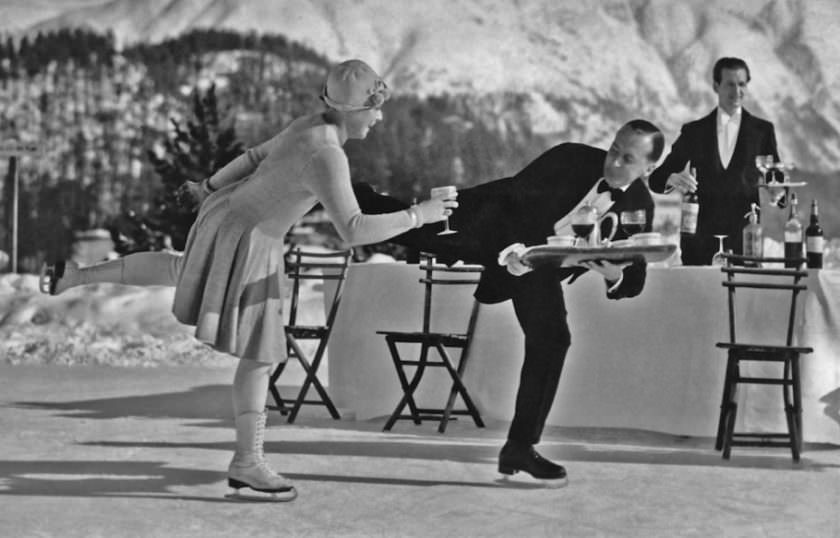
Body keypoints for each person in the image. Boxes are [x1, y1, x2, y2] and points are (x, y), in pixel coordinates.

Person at [39, 59, 456, 501]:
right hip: (251, 239)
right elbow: (352, 229)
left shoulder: (309, 125)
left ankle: (77, 275)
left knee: (180, 269)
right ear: (354, 110)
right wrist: (418, 216)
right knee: (261, 353)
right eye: (375, 107)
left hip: (225, 214)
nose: (379, 116)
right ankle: (246, 462)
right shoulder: (328, 154)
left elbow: (255, 157)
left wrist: (207, 185)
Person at [354, 119, 662, 484]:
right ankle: (337, 193)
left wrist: (613, 274)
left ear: (649, 168)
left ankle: (519, 446)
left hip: (538, 268)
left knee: (553, 339)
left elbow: (635, 276)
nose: (614, 163)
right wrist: (516, 251)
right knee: (404, 224)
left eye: (628, 159)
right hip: (484, 223)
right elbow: (517, 201)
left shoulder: (639, 206)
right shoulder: (570, 157)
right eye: (613, 150)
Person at [648, 56, 780, 265]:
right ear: (716, 86)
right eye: (730, 84)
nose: (737, 91)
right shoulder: (693, 132)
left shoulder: (763, 131)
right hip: (698, 241)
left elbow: (777, 178)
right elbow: (656, 179)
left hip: (745, 239)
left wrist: (778, 192)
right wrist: (672, 179)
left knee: (744, 297)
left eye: (742, 84)